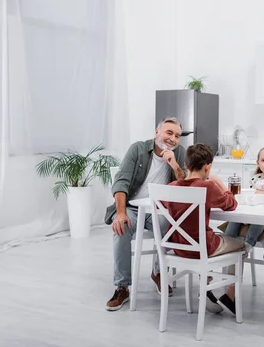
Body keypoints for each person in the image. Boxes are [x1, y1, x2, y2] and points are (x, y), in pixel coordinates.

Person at [104, 117, 187, 311]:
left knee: (168, 224)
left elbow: (185, 184)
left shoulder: (180, 153)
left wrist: (174, 164)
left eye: (177, 136)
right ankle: (122, 287)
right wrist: (121, 213)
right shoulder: (138, 149)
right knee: (121, 227)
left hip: (160, 208)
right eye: (169, 132)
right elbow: (121, 181)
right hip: (133, 207)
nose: (173, 139)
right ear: (157, 131)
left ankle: (158, 273)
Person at [164, 143, 247, 314]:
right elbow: (231, 204)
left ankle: (206, 286)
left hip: (179, 248)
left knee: (212, 236)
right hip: (202, 248)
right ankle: (228, 295)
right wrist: (219, 183)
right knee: (242, 244)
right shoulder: (207, 187)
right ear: (208, 167)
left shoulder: (171, 188)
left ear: (186, 165)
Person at [217, 146, 264, 314]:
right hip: (251, 209)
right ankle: (226, 244)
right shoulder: (255, 178)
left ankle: (247, 246)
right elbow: (251, 193)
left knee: (255, 222)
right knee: (236, 218)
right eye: (263, 161)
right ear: (258, 162)